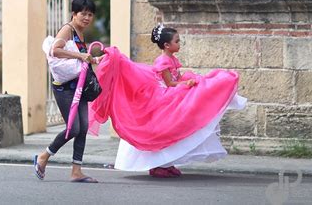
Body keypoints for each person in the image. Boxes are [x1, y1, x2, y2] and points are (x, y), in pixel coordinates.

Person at [88, 24, 247, 178]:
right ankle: (158, 165)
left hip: (171, 92)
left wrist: (186, 82)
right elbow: (170, 84)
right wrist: (186, 83)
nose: (179, 43)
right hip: (162, 95)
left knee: (178, 123)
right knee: (164, 129)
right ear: (166, 45)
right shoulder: (163, 61)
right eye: (176, 41)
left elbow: (175, 79)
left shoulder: (171, 59)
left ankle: (167, 162)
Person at [35, 0, 104, 183]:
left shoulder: (81, 32)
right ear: (74, 14)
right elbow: (55, 50)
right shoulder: (68, 29)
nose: (87, 18)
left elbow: (79, 59)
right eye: (83, 13)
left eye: (90, 14)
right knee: (73, 128)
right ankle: (44, 156)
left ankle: (76, 171)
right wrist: (80, 55)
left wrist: (93, 59)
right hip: (64, 89)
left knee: (83, 128)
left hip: (79, 86)